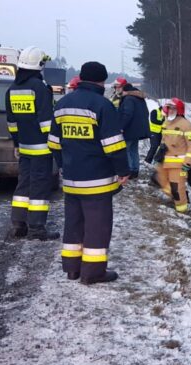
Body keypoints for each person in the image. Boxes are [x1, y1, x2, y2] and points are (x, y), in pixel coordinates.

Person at [48, 61, 129, 284]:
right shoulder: (102, 106)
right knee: (97, 226)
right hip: (98, 180)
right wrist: (123, 171)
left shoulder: (62, 104)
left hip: (72, 179)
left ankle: (72, 269)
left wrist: (64, 164)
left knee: (73, 224)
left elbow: (54, 143)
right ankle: (92, 273)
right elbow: (113, 145)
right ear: (101, 81)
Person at [5, 46, 59, 241]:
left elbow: (11, 123)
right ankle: (36, 228)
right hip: (42, 148)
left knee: (23, 185)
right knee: (39, 187)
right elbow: (46, 123)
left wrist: (17, 144)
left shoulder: (12, 89)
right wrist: (56, 144)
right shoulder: (40, 88)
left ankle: (18, 224)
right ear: (39, 66)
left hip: (24, 147)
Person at [159, 98, 191, 212]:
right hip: (171, 159)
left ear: (179, 110)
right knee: (165, 179)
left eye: (173, 108)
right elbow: (164, 139)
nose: (170, 110)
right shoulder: (166, 122)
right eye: (169, 108)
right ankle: (182, 198)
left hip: (187, 158)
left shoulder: (186, 125)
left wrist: (188, 162)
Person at [117, 83, 149, 179]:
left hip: (129, 130)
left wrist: (121, 127)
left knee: (126, 150)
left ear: (126, 91)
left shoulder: (128, 99)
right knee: (134, 150)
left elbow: (127, 114)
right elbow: (146, 112)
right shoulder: (139, 98)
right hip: (138, 129)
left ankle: (130, 170)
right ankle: (135, 170)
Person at [145, 106, 170, 197]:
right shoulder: (154, 112)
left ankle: (155, 162)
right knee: (154, 147)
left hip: (160, 133)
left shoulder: (165, 114)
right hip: (154, 132)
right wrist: (163, 122)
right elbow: (154, 121)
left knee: (161, 148)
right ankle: (148, 160)